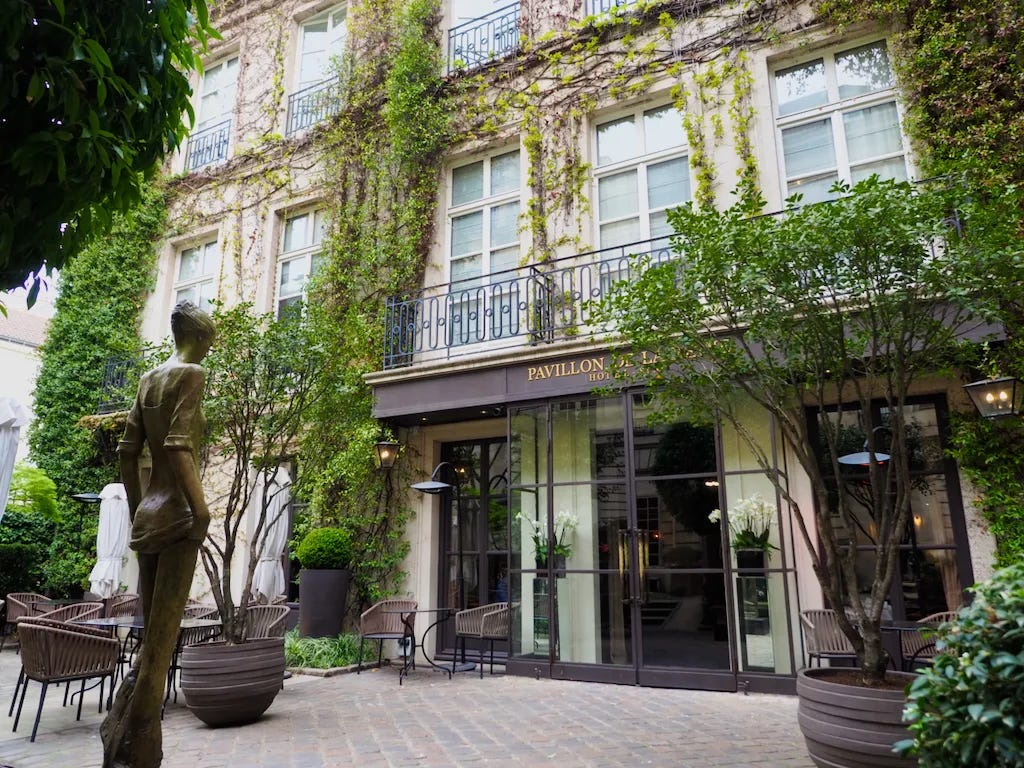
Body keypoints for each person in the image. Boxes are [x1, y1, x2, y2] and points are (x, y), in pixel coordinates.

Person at [102, 301, 215, 768]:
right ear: (201, 337)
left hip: (149, 514)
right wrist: (201, 511)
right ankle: (134, 751)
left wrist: (137, 509)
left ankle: (117, 733)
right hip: (177, 516)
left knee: (150, 642)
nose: (210, 349)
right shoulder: (191, 375)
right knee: (160, 649)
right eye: (210, 340)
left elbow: (128, 452)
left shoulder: (149, 378)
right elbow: (179, 444)